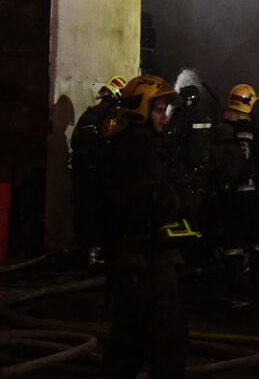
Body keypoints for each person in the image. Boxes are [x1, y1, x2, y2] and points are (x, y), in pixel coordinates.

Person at [101, 74, 191, 378]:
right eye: (158, 110)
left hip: (138, 261)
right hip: (146, 260)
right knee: (169, 341)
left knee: (129, 343)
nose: (164, 117)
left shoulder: (139, 146)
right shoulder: (134, 151)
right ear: (140, 110)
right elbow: (144, 203)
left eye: (165, 109)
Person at [209, 83, 259, 306]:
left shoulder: (222, 128)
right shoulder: (251, 128)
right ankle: (258, 287)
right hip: (251, 191)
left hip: (229, 193)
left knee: (232, 242)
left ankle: (235, 289)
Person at [70, 76, 126, 264]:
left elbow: (75, 142)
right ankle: (102, 255)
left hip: (82, 174)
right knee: (104, 213)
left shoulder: (88, 114)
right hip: (100, 175)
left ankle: (90, 253)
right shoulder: (112, 116)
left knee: (87, 214)